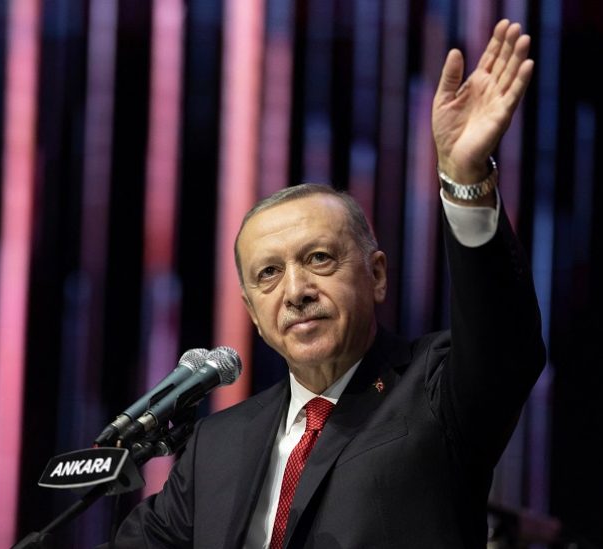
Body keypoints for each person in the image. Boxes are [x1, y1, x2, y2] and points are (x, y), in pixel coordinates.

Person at [112, 19, 545, 548]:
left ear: (377, 275)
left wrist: (465, 178)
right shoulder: (216, 444)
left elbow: (505, 340)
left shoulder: (435, 388)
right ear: (251, 312)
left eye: (318, 259)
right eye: (268, 274)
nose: (295, 290)